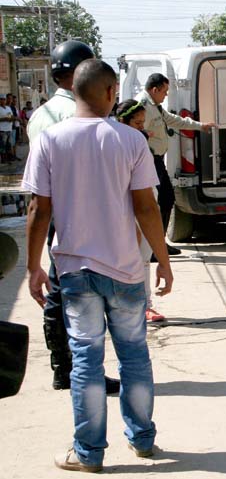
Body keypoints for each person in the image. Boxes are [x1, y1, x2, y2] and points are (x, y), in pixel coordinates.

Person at [23, 59, 172, 472]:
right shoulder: (130, 141)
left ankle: (88, 453)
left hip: (74, 270)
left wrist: (34, 266)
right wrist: (162, 260)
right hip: (124, 270)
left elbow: (38, 208)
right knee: (135, 356)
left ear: (75, 92)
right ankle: (142, 440)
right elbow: (147, 208)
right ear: (110, 93)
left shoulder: (49, 140)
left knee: (86, 359)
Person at [25, 40, 120, 392]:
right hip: (83, 220)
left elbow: (37, 192)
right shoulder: (82, 116)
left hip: (53, 216)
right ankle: (81, 371)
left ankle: (62, 367)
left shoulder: (41, 115)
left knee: (57, 292)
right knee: (87, 300)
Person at [135, 73, 215, 255]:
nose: (165, 95)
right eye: (164, 92)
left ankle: (158, 244)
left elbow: (172, 120)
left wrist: (199, 125)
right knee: (157, 201)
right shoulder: (143, 105)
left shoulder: (155, 106)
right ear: (154, 90)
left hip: (156, 160)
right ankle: (153, 247)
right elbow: (135, 132)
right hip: (147, 161)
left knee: (166, 199)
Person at [117, 99, 166, 322]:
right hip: (131, 209)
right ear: (122, 121)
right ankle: (135, 306)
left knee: (144, 257)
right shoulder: (119, 144)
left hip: (145, 205)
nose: (142, 129)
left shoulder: (136, 141)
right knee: (133, 258)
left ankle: (145, 305)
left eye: (142, 123)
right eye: (137, 123)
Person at [0, 95, 13, 164]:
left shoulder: (8, 108)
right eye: (1, 99)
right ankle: (3, 159)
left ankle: (9, 158)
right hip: (2, 130)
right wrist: (4, 119)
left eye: (4, 99)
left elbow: (10, 115)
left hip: (9, 129)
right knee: (2, 145)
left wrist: (11, 119)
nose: (3, 101)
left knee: (9, 145)